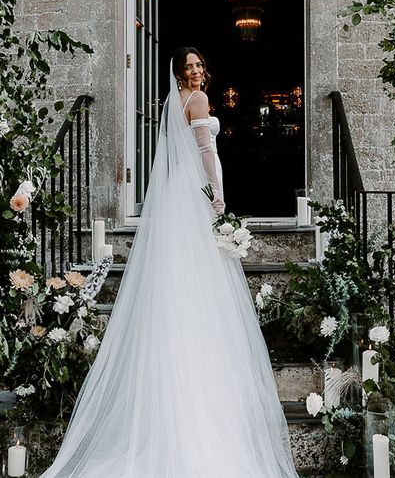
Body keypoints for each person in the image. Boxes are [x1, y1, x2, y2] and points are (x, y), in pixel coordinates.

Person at [40, 47, 299, 478]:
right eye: (190, 67)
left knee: (180, 278)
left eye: (200, 65)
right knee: (204, 281)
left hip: (175, 194)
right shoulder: (197, 101)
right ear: (180, 75)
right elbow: (206, 152)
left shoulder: (170, 101)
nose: (197, 71)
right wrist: (218, 196)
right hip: (194, 193)